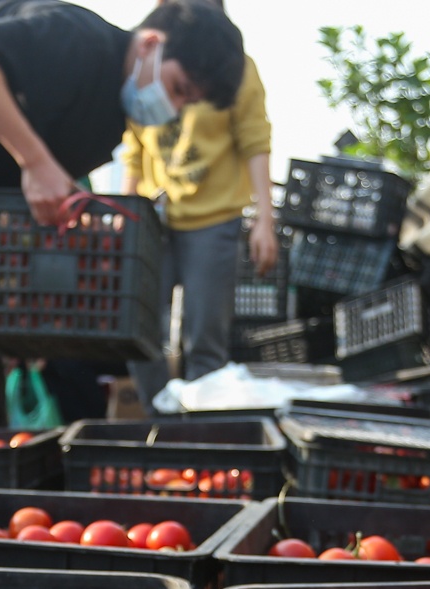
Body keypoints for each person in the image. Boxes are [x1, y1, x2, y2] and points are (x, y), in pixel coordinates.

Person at [0, 0, 246, 432]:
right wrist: (35, 160)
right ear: (150, 44)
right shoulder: (75, 39)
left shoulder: (111, 121)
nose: (174, 108)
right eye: (179, 88)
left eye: (188, 103)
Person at [121, 0, 275, 405]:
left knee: (205, 336)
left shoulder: (235, 69)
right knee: (138, 328)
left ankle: (203, 433)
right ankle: (160, 420)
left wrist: (265, 220)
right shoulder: (149, 62)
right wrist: (125, 208)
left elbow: (255, 140)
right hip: (154, 216)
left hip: (214, 218)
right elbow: (134, 145)